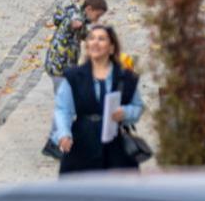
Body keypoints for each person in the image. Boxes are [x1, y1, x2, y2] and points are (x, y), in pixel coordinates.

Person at [53, 24, 145, 174]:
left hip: (115, 144)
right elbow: (63, 109)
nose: (95, 42)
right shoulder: (74, 76)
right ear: (87, 46)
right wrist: (64, 134)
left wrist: (126, 113)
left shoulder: (125, 77)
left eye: (101, 39)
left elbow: (138, 106)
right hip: (82, 142)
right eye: (91, 39)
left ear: (111, 48)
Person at [41, 0, 108, 159]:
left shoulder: (77, 16)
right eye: (97, 15)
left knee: (66, 104)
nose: (97, 19)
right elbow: (73, 24)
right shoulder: (76, 17)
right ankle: (53, 142)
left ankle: (57, 139)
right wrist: (74, 25)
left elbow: (84, 34)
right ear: (89, 9)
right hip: (60, 68)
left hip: (61, 67)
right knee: (65, 106)